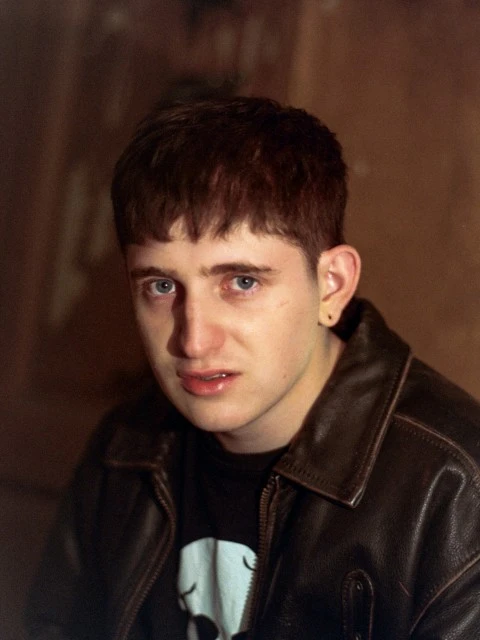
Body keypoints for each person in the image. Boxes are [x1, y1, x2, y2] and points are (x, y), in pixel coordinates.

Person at [26, 97, 480, 640]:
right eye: (162, 286)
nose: (193, 339)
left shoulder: (457, 490)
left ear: (331, 285)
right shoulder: (125, 447)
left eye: (241, 282)